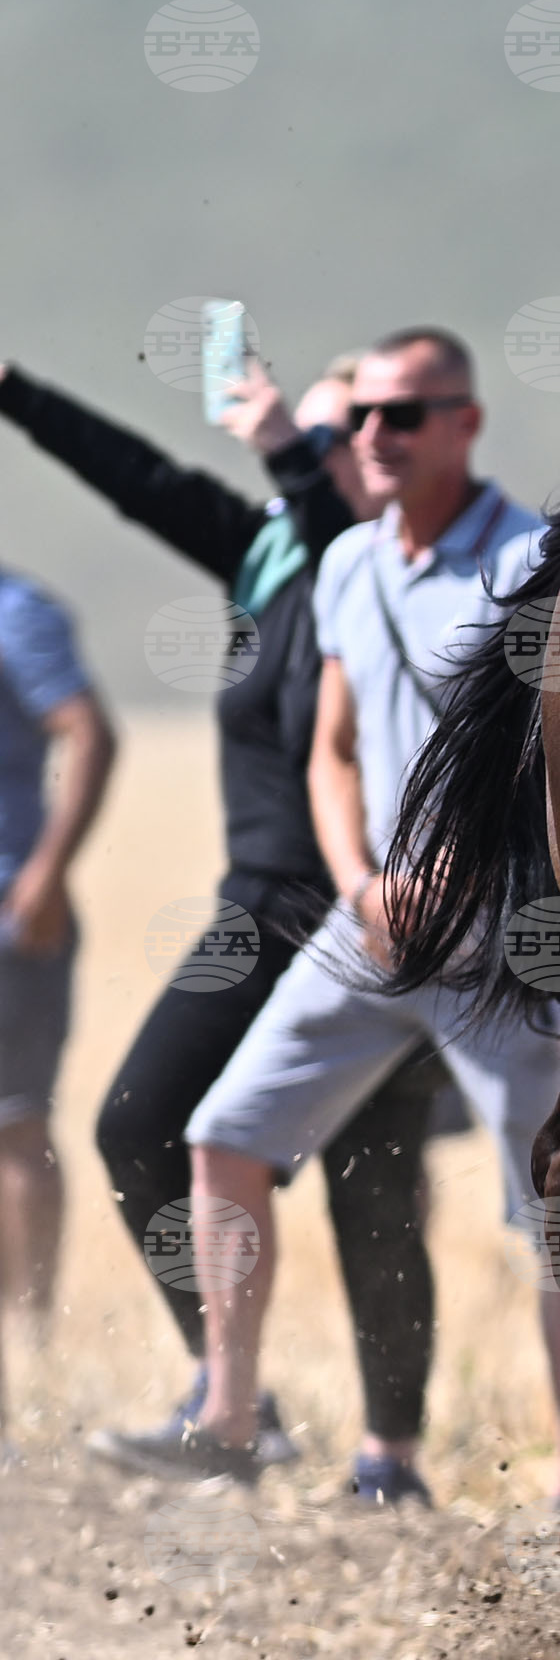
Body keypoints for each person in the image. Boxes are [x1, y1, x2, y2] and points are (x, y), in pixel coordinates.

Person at [144, 328, 560, 1497]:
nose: (374, 439)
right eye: (359, 422)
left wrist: (471, 870)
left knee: (553, 1209)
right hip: (369, 923)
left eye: (403, 415)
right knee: (226, 1138)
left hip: (495, 937)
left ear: (465, 423)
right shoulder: (347, 564)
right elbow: (331, 751)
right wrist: (359, 882)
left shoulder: (528, 561)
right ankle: (231, 1423)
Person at [2, 354, 448, 1495]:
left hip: (366, 907)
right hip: (261, 903)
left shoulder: (385, 568)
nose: (340, 447)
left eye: (346, 431)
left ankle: (390, 1459)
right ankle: (232, 1394)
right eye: (325, 431)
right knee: (139, 1124)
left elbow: (334, 518)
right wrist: (14, 385)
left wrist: (291, 454)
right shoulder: (271, 550)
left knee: (374, 1180)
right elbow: (136, 476)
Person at [0, 553, 114, 1454]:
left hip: (9, 916)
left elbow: (88, 730)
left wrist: (44, 875)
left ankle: (31, 1338)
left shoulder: (18, 611)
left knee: (14, 1127)